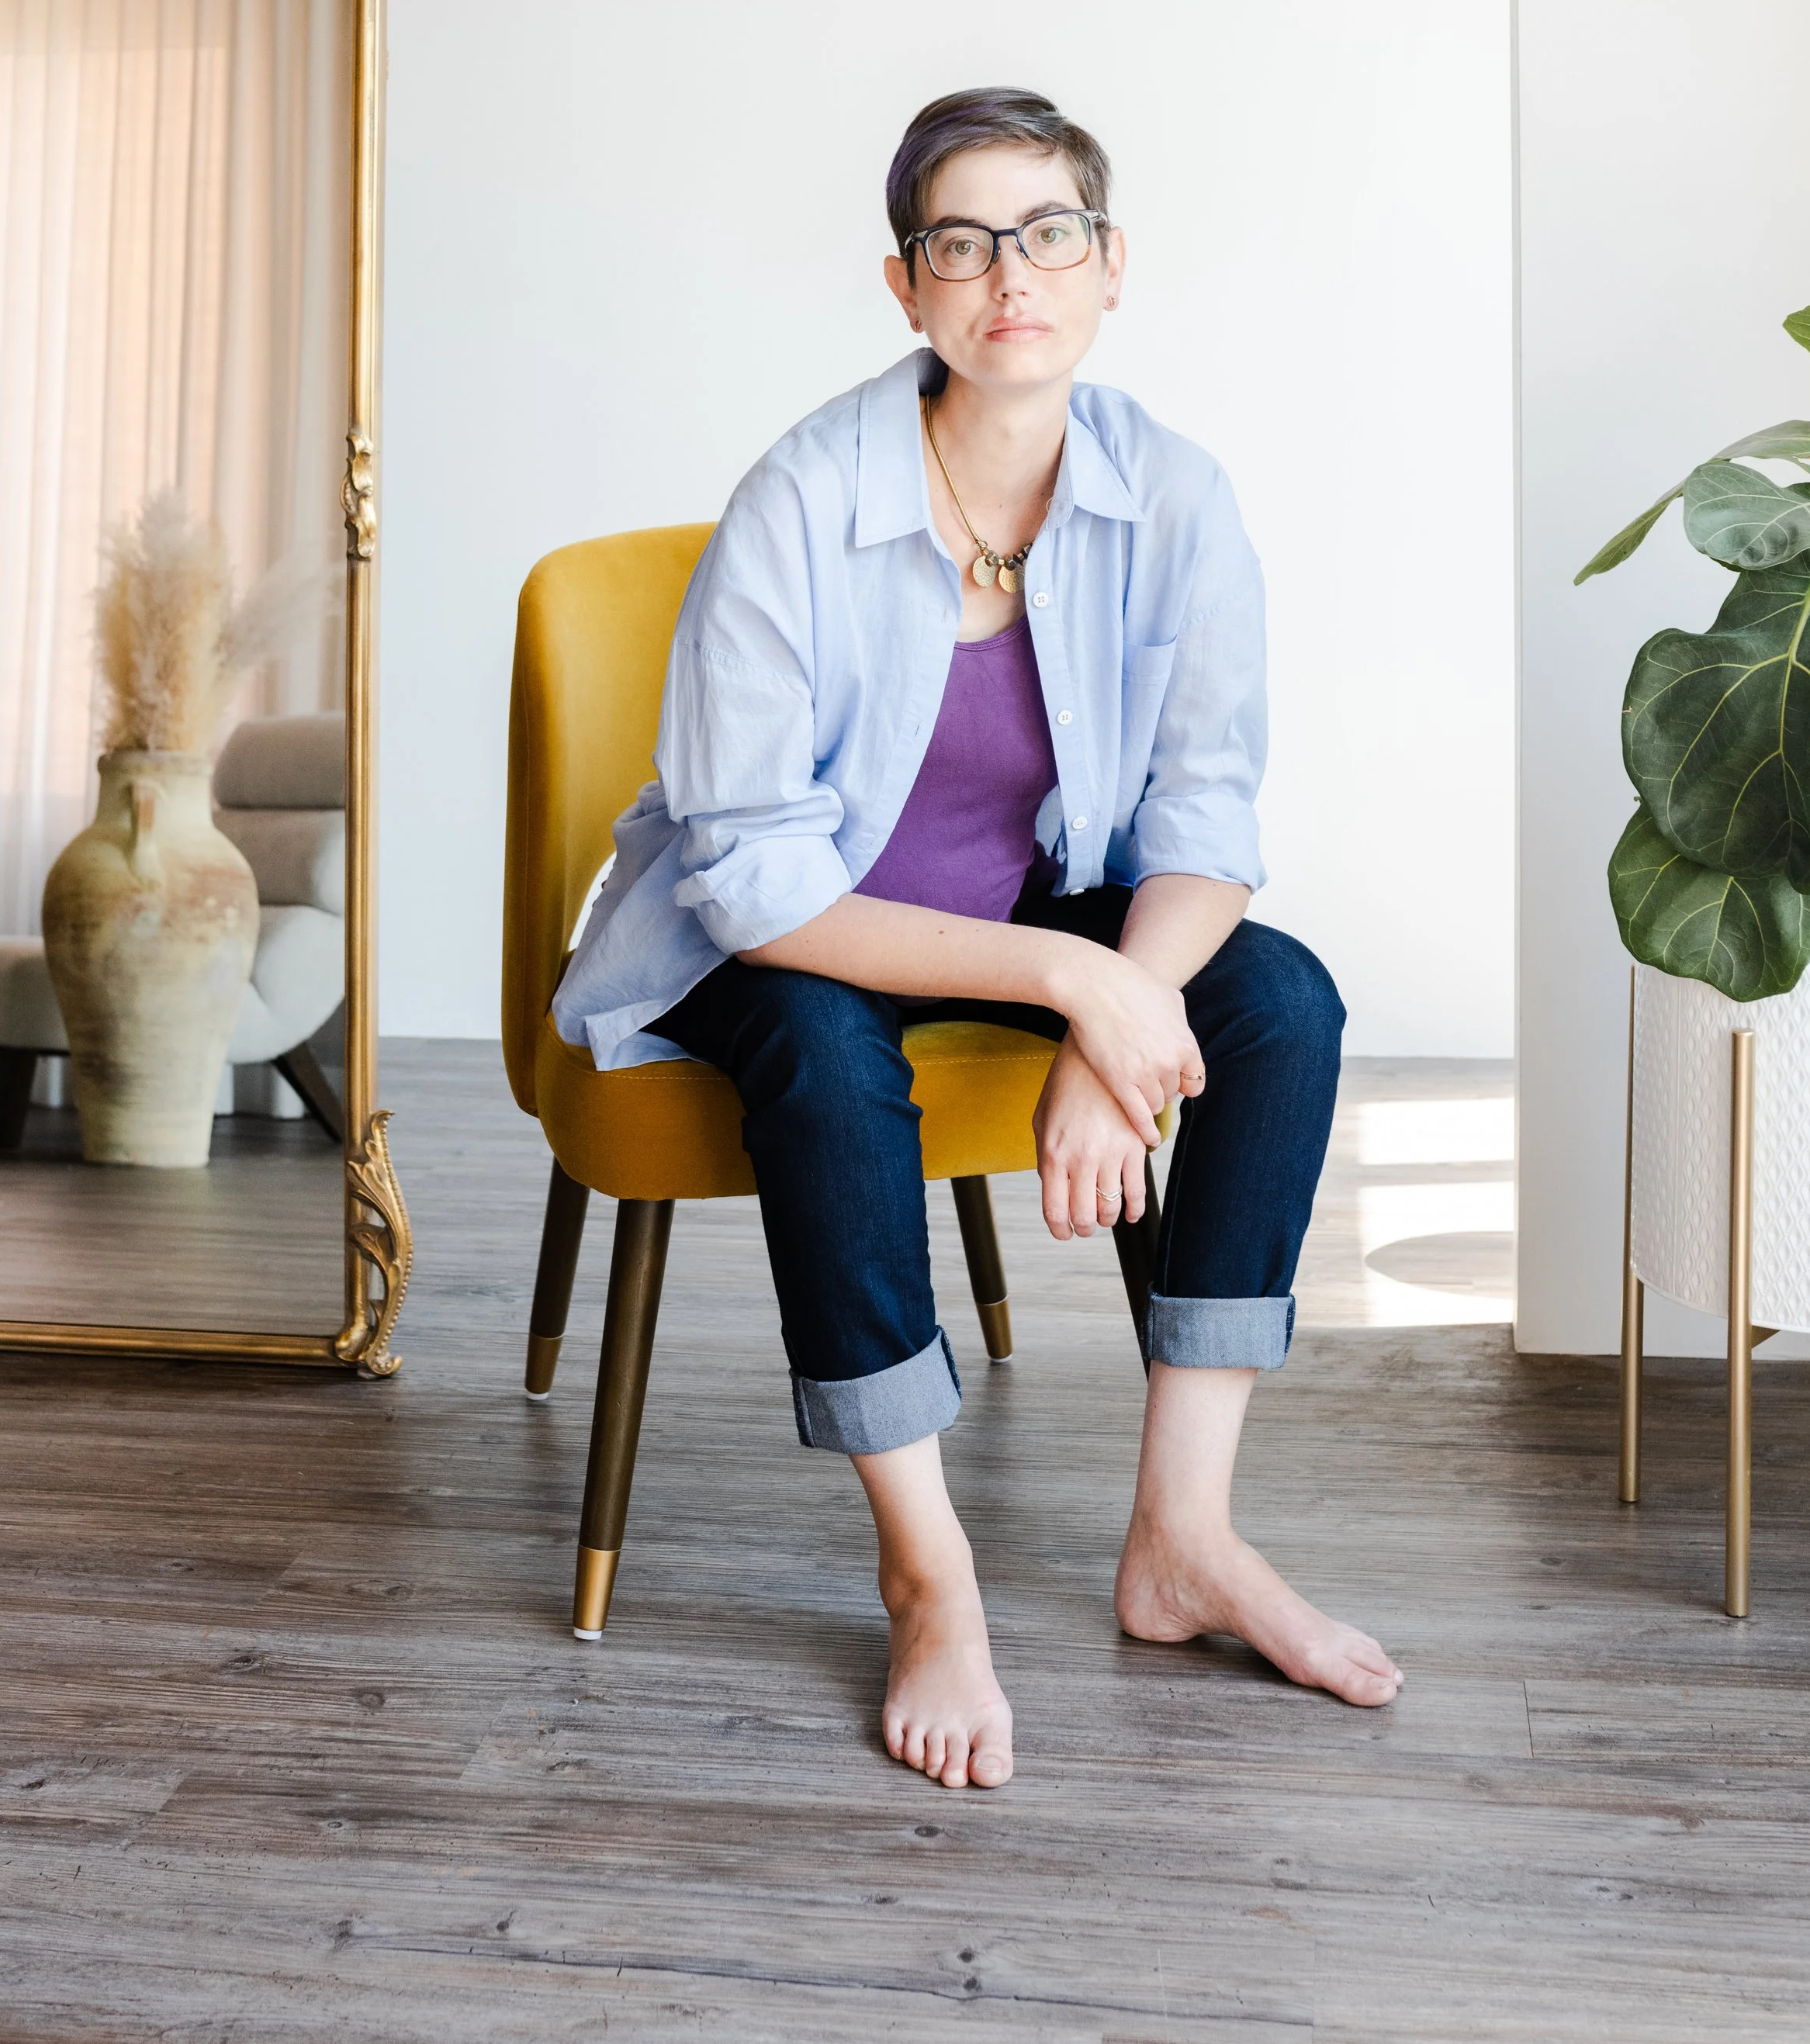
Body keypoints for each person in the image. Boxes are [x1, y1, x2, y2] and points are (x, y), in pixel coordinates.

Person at [555, 86, 1401, 1791]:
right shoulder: (800, 499)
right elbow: (756, 881)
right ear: (906, 285)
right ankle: (926, 1574)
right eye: (962, 241)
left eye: (1049, 233)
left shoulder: (1176, 496)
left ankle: (1183, 1537)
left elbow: (1204, 823)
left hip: (1017, 898)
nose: (1011, 274)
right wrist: (1075, 985)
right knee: (821, 1053)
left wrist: (1120, 1012)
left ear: (1109, 265)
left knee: (1283, 1003)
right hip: (774, 930)